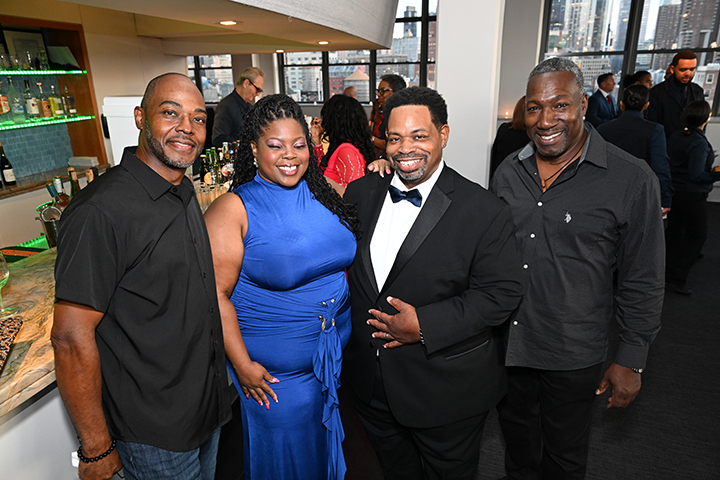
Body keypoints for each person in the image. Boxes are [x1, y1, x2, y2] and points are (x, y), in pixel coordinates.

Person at [490, 57, 664, 480]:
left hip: (572, 352)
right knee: (517, 453)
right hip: (509, 346)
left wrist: (632, 358)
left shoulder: (631, 178)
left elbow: (643, 277)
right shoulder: (508, 172)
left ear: (583, 105)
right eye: (535, 107)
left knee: (564, 460)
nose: (546, 119)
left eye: (560, 105)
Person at [52, 73, 231, 480]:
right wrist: (96, 448)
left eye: (198, 118)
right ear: (140, 117)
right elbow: (69, 337)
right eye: (170, 113)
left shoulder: (182, 190)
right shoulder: (100, 211)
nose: (187, 127)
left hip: (205, 411)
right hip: (154, 435)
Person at [343, 86, 524, 480]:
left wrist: (425, 325)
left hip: (445, 390)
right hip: (369, 384)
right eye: (394, 138)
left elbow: (502, 293)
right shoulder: (361, 192)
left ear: (443, 135)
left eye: (418, 136)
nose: (405, 148)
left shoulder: (484, 210)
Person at [204, 94, 359, 480]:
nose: (289, 155)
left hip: (329, 364)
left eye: (298, 144)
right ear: (253, 149)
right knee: (287, 465)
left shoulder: (325, 192)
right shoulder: (232, 209)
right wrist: (242, 367)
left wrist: (380, 168)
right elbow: (215, 296)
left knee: (318, 456)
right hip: (276, 379)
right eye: (275, 145)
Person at [665, 100, 720, 295]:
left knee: (674, 233)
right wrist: (716, 174)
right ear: (706, 118)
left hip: (675, 191)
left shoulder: (677, 135)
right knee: (697, 235)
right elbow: (697, 175)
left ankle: (666, 271)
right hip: (692, 195)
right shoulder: (698, 142)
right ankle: (677, 277)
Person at [597, 84, 674, 215]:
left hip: (607, 193)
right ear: (646, 105)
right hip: (639, 193)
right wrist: (665, 198)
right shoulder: (655, 130)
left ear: (621, 104)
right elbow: (660, 167)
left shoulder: (603, 129)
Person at [311, 94, 374, 195]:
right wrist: (316, 139)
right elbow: (319, 172)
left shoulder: (346, 151)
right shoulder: (342, 146)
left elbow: (354, 193)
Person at [647, 50, 704, 140]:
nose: (688, 73)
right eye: (683, 70)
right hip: (665, 144)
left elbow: (702, 120)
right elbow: (652, 125)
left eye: (692, 69)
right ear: (672, 69)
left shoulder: (698, 91)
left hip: (691, 144)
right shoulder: (656, 93)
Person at [212, 66, 264, 147]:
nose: (258, 94)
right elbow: (218, 139)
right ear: (246, 83)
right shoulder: (226, 106)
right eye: (257, 89)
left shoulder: (250, 107)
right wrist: (245, 144)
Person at [490, 95, 531, 177]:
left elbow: (495, 156)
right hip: (521, 178)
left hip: (500, 175)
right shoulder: (532, 134)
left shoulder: (504, 129)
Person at [369, 74, 406, 159]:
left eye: (383, 90)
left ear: (396, 92)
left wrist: (371, 138)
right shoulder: (383, 113)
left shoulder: (401, 116)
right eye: (378, 91)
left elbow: (393, 145)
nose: (379, 94)